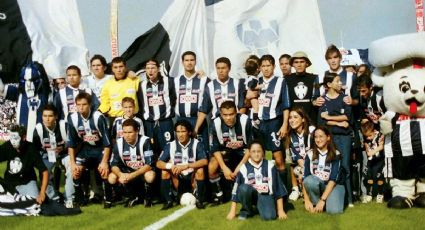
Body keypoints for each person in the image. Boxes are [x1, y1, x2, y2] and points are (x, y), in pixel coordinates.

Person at [250, 54, 290, 187]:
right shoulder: (255, 81)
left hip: (274, 123)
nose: (266, 69)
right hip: (257, 124)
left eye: (268, 66)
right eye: (263, 66)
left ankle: (283, 191)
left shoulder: (280, 82)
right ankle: (259, 186)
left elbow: (285, 105)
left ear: (273, 67)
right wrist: (253, 92)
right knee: (256, 156)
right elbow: (246, 100)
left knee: (278, 159)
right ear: (259, 67)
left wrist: (284, 125)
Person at [67, 92, 112, 207]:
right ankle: (80, 198)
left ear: (90, 105)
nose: (81, 107)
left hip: (100, 149)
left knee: (103, 170)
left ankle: (108, 198)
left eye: (84, 104)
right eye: (78, 105)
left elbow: (107, 143)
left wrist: (104, 162)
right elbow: (71, 144)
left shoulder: (98, 117)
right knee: (76, 171)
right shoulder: (72, 119)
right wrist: (72, 163)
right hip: (85, 149)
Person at [227, 140, 288, 221]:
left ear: (263, 152)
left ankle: (263, 207)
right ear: (249, 153)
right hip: (251, 196)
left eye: (259, 151)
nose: (256, 154)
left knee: (269, 217)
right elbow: (235, 191)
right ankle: (246, 211)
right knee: (243, 188)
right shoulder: (243, 168)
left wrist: (280, 211)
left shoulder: (270, 166)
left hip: (266, 196)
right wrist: (232, 211)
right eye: (253, 151)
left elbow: (278, 189)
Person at [317, 72, 353, 207]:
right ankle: (334, 197)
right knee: (332, 167)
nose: (340, 84)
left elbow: (347, 118)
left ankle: (349, 199)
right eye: (337, 81)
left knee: (346, 167)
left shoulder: (345, 98)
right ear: (329, 84)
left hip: (344, 137)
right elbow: (322, 122)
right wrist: (337, 123)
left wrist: (329, 118)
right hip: (330, 138)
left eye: (340, 81)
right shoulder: (322, 100)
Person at [157, 120, 208, 210]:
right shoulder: (170, 145)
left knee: (200, 170)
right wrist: (171, 166)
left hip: (192, 176)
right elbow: (158, 163)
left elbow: (204, 161)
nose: (180, 135)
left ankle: (199, 200)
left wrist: (187, 166)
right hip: (177, 177)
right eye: (178, 132)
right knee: (165, 171)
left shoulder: (197, 144)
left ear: (189, 132)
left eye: (183, 131)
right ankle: (168, 201)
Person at [209, 101, 253, 204]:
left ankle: (251, 190)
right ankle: (218, 194)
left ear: (236, 112)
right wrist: (224, 167)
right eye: (225, 115)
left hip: (243, 152)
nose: (228, 118)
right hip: (226, 152)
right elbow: (215, 149)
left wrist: (239, 167)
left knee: (255, 158)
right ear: (220, 114)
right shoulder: (215, 123)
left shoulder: (245, 121)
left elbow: (252, 148)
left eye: (231, 114)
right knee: (212, 166)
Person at [31, 104, 74, 207]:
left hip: (64, 154)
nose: (47, 119)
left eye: (50, 116)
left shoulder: (64, 126)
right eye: (44, 116)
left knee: (72, 168)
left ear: (56, 117)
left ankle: (69, 198)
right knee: (43, 171)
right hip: (47, 156)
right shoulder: (38, 129)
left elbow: (74, 143)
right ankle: (54, 198)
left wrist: (63, 148)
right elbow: (35, 150)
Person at [108, 119, 156, 208]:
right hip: (127, 171)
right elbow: (113, 164)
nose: (127, 135)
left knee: (150, 176)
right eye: (125, 132)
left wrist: (132, 175)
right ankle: (129, 196)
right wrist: (120, 174)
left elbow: (149, 164)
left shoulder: (145, 141)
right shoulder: (118, 143)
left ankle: (148, 198)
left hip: (142, 172)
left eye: (130, 132)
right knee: (112, 177)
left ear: (137, 131)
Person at [195, 57, 246, 136]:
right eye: (218, 68)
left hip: (235, 123)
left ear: (229, 68)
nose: (220, 71)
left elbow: (242, 106)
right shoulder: (210, 86)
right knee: (217, 148)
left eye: (223, 68)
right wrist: (196, 128)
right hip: (217, 124)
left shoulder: (237, 83)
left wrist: (239, 122)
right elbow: (203, 110)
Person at [0, 124, 48, 204]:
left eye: (15, 138)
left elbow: (45, 171)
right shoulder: (8, 146)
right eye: (11, 138)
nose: (13, 141)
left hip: (27, 183)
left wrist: (42, 193)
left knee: (34, 203)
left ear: (23, 138)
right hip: (9, 184)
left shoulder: (31, 148)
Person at [137, 59, 176, 155]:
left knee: (168, 149)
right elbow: (141, 103)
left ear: (158, 69)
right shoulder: (142, 85)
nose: (150, 70)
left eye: (153, 68)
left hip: (165, 122)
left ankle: (168, 169)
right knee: (151, 149)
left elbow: (174, 98)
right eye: (148, 68)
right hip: (149, 124)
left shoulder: (169, 81)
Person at [303, 126, 345, 214]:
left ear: (328, 137)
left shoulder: (336, 154)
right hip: (318, 185)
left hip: (333, 186)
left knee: (334, 211)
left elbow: (333, 180)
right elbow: (305, 179)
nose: (318, 140)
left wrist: (322, 200)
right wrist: (306, 200)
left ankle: (323, 203)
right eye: (316, 137)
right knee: (309, 180)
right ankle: (316, 203)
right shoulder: (310, 154)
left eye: (321, 136)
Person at [174, 51, 209, 151]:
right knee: (181, 151)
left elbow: (207, 103)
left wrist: (197, 126)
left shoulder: (204, 79)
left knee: (202, 150)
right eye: (186, 60)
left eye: (192, 60)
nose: (189, 63)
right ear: (182, 62)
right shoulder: (175, 81)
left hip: (198, 120)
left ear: (195, 62)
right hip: (181, 120)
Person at [99, 57, 140, 122]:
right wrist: (99, 112)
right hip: (115, 119)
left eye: (121, 66)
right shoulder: (107, 84)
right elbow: (105, 103)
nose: (118, 70)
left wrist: (129, 72)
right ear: (112, 69)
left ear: (125, 67)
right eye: (115, 67)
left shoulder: (134, 80)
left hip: (133, 118)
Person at [286, 107, 314, 201]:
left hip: (316, 164)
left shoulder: (312, 131)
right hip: (303, 165)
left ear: (303, 119)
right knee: (295, 168)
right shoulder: (290, 136)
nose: (292, 120)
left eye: (295, 117)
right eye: (290, 117)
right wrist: (303, 171)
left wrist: (306, 171)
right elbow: (297, 159)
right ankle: (296, 189)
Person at [287, 51, 320, 124]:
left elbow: (316, 97)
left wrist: (315, 101)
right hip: (293, 121)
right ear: (292, 64)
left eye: (302, 62)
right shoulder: (287, 79)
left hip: (311, 120)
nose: (299, 65)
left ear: (306, 64)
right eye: (296, 62)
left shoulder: (314, 78)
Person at [360, 120, 385, 203]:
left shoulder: (380, 135)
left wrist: (373, 152)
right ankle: (369, 194)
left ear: (374, 131)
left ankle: (380, 194)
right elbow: (367, 147)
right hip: (371, 161)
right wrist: (368, 151)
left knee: (379, 178)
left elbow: (381, 147)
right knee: (369, 178)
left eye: (370, 136)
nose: (368, 138)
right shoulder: (366, 138)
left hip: (379, 160)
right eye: (366, 136)